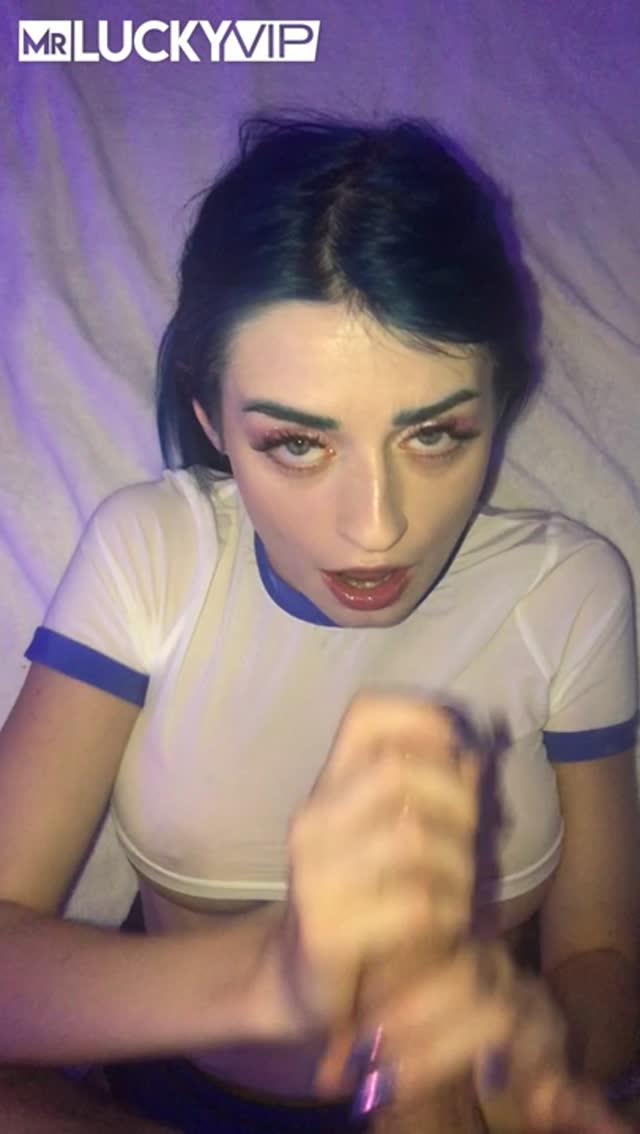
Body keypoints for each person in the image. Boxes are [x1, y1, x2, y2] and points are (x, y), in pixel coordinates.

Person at [0, 114, 637, 1134]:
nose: (375, 528)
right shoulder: (156, 552)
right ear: (211, 419)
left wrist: (532, 1050)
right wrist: (271, 975)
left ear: (500, 404)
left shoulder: (566, 591)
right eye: (297, 445)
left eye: (436, 434)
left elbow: (601, 956)